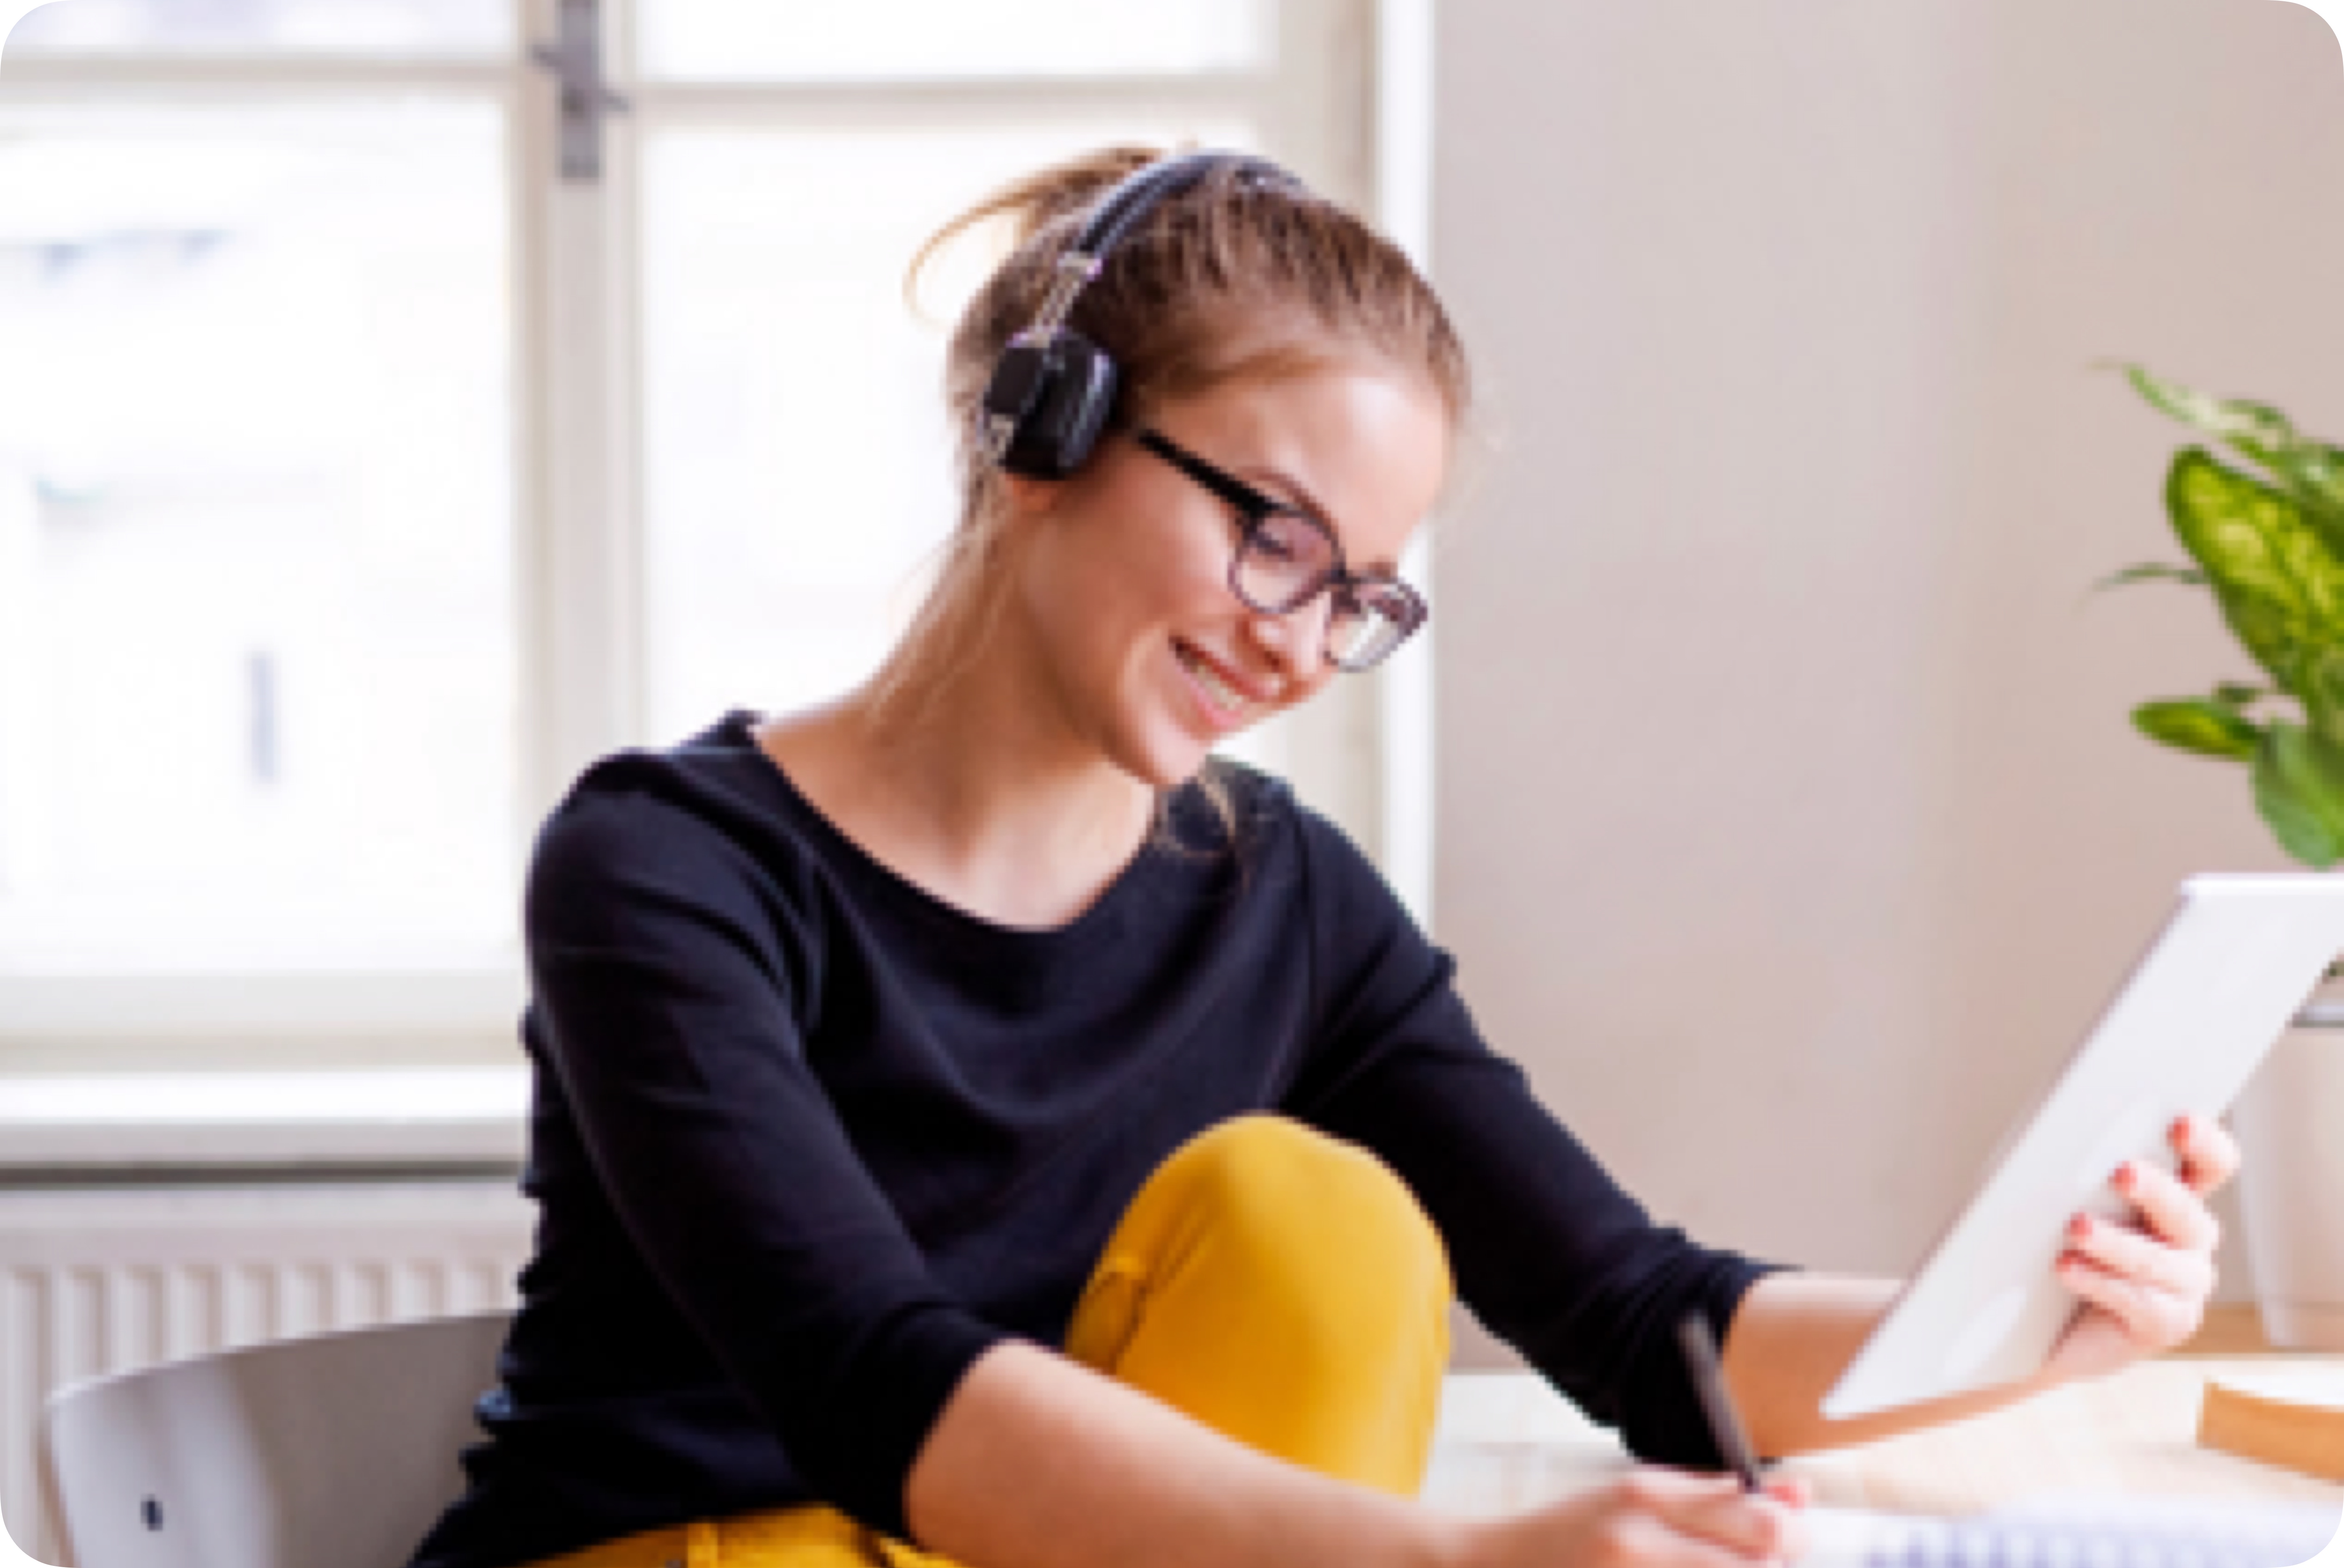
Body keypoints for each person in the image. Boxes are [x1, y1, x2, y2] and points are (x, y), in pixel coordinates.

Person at [409, 147, 2235, 1568]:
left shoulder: (1276, 898)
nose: (1302, 638)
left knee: (1327, 1220)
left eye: (1359, 592)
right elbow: (872, 1380)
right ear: (1043, 428)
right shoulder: (670, 867)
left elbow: (1643, 1319)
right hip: (692, 1549)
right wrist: (1440, 1558)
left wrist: (2018, 1323)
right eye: (1276, 537)